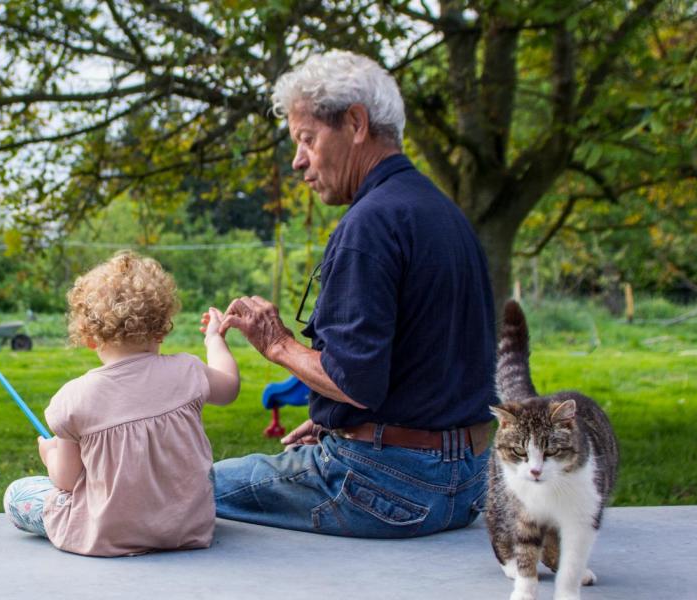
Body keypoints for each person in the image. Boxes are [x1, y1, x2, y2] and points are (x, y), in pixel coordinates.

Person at [213, 50, 498, 538]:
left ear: (356, 123)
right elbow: (424, 366)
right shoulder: (442, 212)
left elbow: (356, 381)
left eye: (306, 139)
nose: (299, 160)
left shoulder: (369, 224)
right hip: (469, 483)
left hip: (386, 487)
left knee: (180, 484)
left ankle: (45, 500)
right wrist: (338, 424)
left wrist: (277, 343)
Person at [3, 251, 240, 556]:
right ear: (160, 329)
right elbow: (229, 386)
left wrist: (50, 455)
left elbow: (67, 479)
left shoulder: (73, 399)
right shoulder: (188, 371)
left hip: (107, 534)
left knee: (18, 494)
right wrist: (214, 340)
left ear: (89, 337)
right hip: (185, 528)